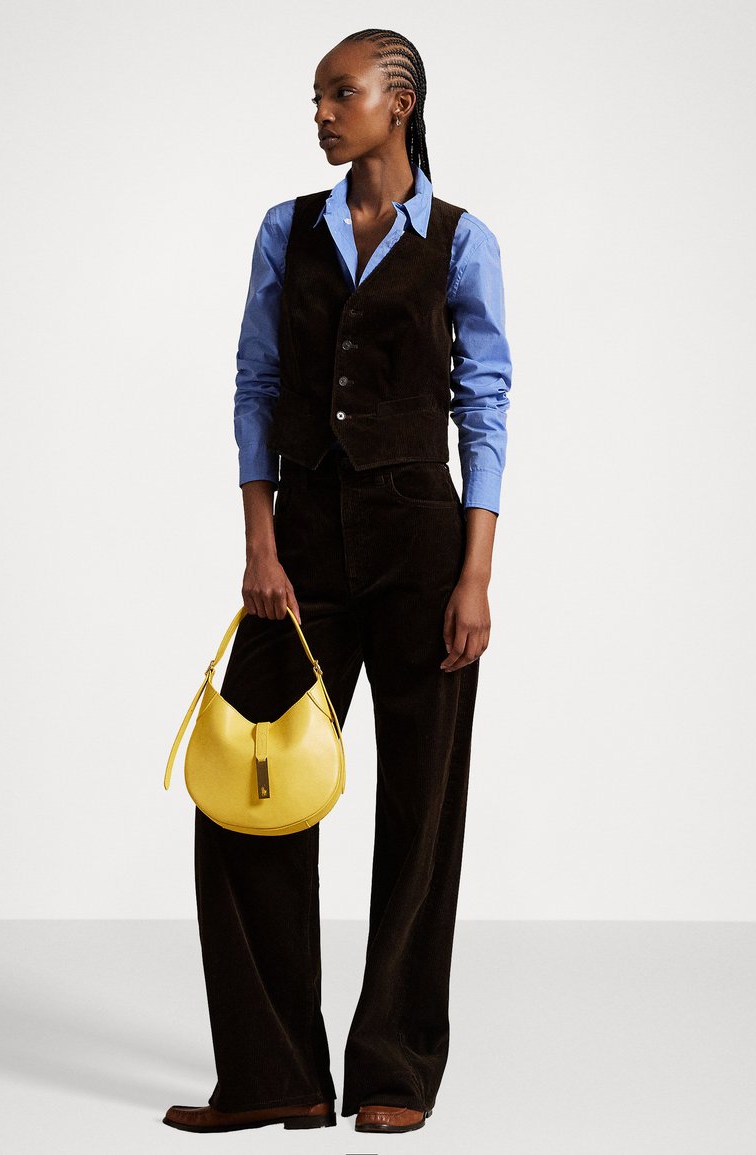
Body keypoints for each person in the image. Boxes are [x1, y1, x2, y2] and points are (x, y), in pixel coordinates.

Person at [163, 26, 512, 1137]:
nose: (320, 113)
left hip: (420, 547)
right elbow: (255, 385)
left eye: (340, 93)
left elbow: (485, 405)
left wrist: (474, 575)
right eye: (315, 97)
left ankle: (393, 1068)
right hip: (302, 547)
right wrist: (260, 546)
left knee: (421, 811)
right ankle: (279, 1074)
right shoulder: (286, 230)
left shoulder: (460, 240)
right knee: (248, 794)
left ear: (397, 104)